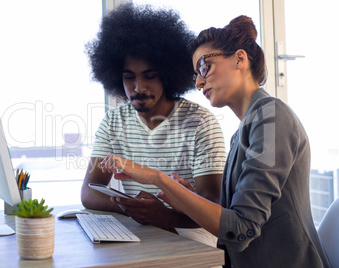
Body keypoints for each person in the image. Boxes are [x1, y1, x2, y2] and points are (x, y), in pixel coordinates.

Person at [99, 15, 331, 268]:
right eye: (196, 74)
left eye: (204, 67)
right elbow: (231, 213)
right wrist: (186, 195)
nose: (198, 82)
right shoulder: (248, 127)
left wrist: (157, 178)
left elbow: (241, 229)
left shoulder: (272, 118)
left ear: (239, 59)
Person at [81, 3, 226, 246]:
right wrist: (131, 208)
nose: (138, 88)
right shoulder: (113, 121)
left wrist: (164, 215)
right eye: (129, 77)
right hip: (139, 230)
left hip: (193, 236)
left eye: (149, 76)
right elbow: (89, 192)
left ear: (167, 74)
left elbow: (215, 208)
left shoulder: (200, 122)